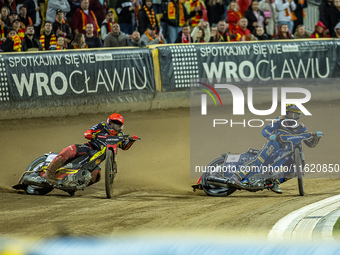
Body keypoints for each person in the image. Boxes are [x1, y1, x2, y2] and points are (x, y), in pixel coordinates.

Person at [228, 104, 323, 194]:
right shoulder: (279, 120)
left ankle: (274, 182)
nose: (292, 117)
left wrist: (317, 138)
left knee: (292, 172)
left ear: (299, 116)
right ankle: (235, 177)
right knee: (259, 160)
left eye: (295, 114)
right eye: (290, 114)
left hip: (290, 151)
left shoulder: (301, 127)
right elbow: (265, 130)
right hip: (274, 144)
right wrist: (271, 136)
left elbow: (310, 144)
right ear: (286, 113)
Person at [44, 113, 139, 186]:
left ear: (121, 127)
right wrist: (92, 135)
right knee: (70, 150)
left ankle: (74, 185)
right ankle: (48, 173)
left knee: (96, 175)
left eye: (118, 126)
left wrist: (132, 140)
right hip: (89, 148)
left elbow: (124, 146)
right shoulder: (102, 126)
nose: (115, 127)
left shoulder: (119, 136)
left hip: (97, 159)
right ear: (109, 122)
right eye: (113, 125)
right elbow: (87, 132)